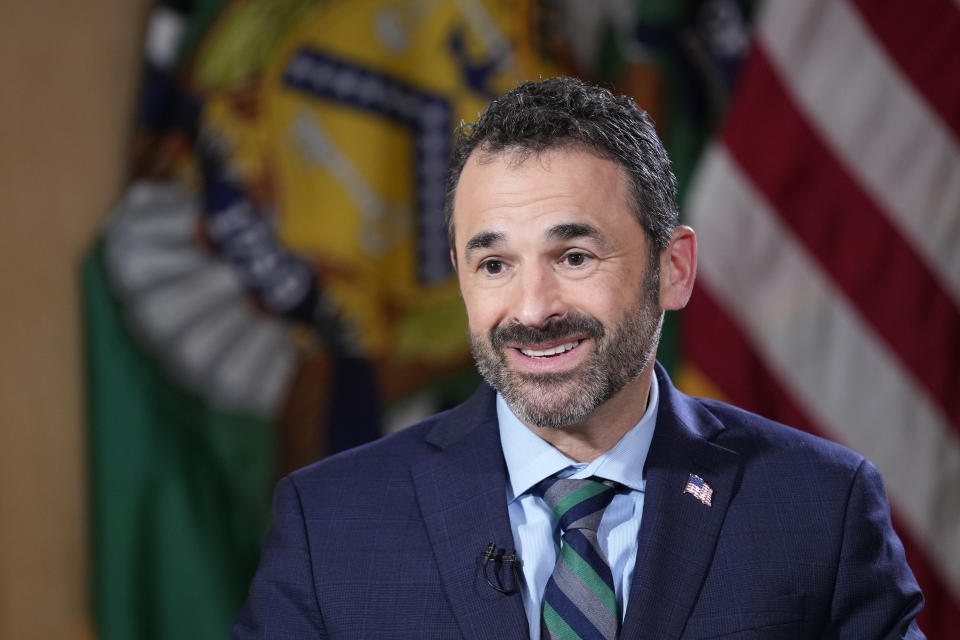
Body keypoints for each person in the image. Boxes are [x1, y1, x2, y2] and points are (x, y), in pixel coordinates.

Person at [232, 77, 924, 639]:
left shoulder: (816, 507)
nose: (533, 310)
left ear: (672, 269)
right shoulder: (332, 523)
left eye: (573, 256)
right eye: (495, 264)